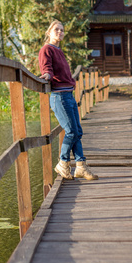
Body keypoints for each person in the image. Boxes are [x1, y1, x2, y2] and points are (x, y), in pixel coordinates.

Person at [38, 20, 98, 181]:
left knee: (77, 131)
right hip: (59, 97)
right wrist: (47, 76)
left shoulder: (59, 50)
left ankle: (80, 167)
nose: (60, 32)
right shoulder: (46, 49)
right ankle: (63, 163)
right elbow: (47, 68)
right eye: (56, 29)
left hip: (69, 96)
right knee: (71, 131)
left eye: (62, 30)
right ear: (49, 32)